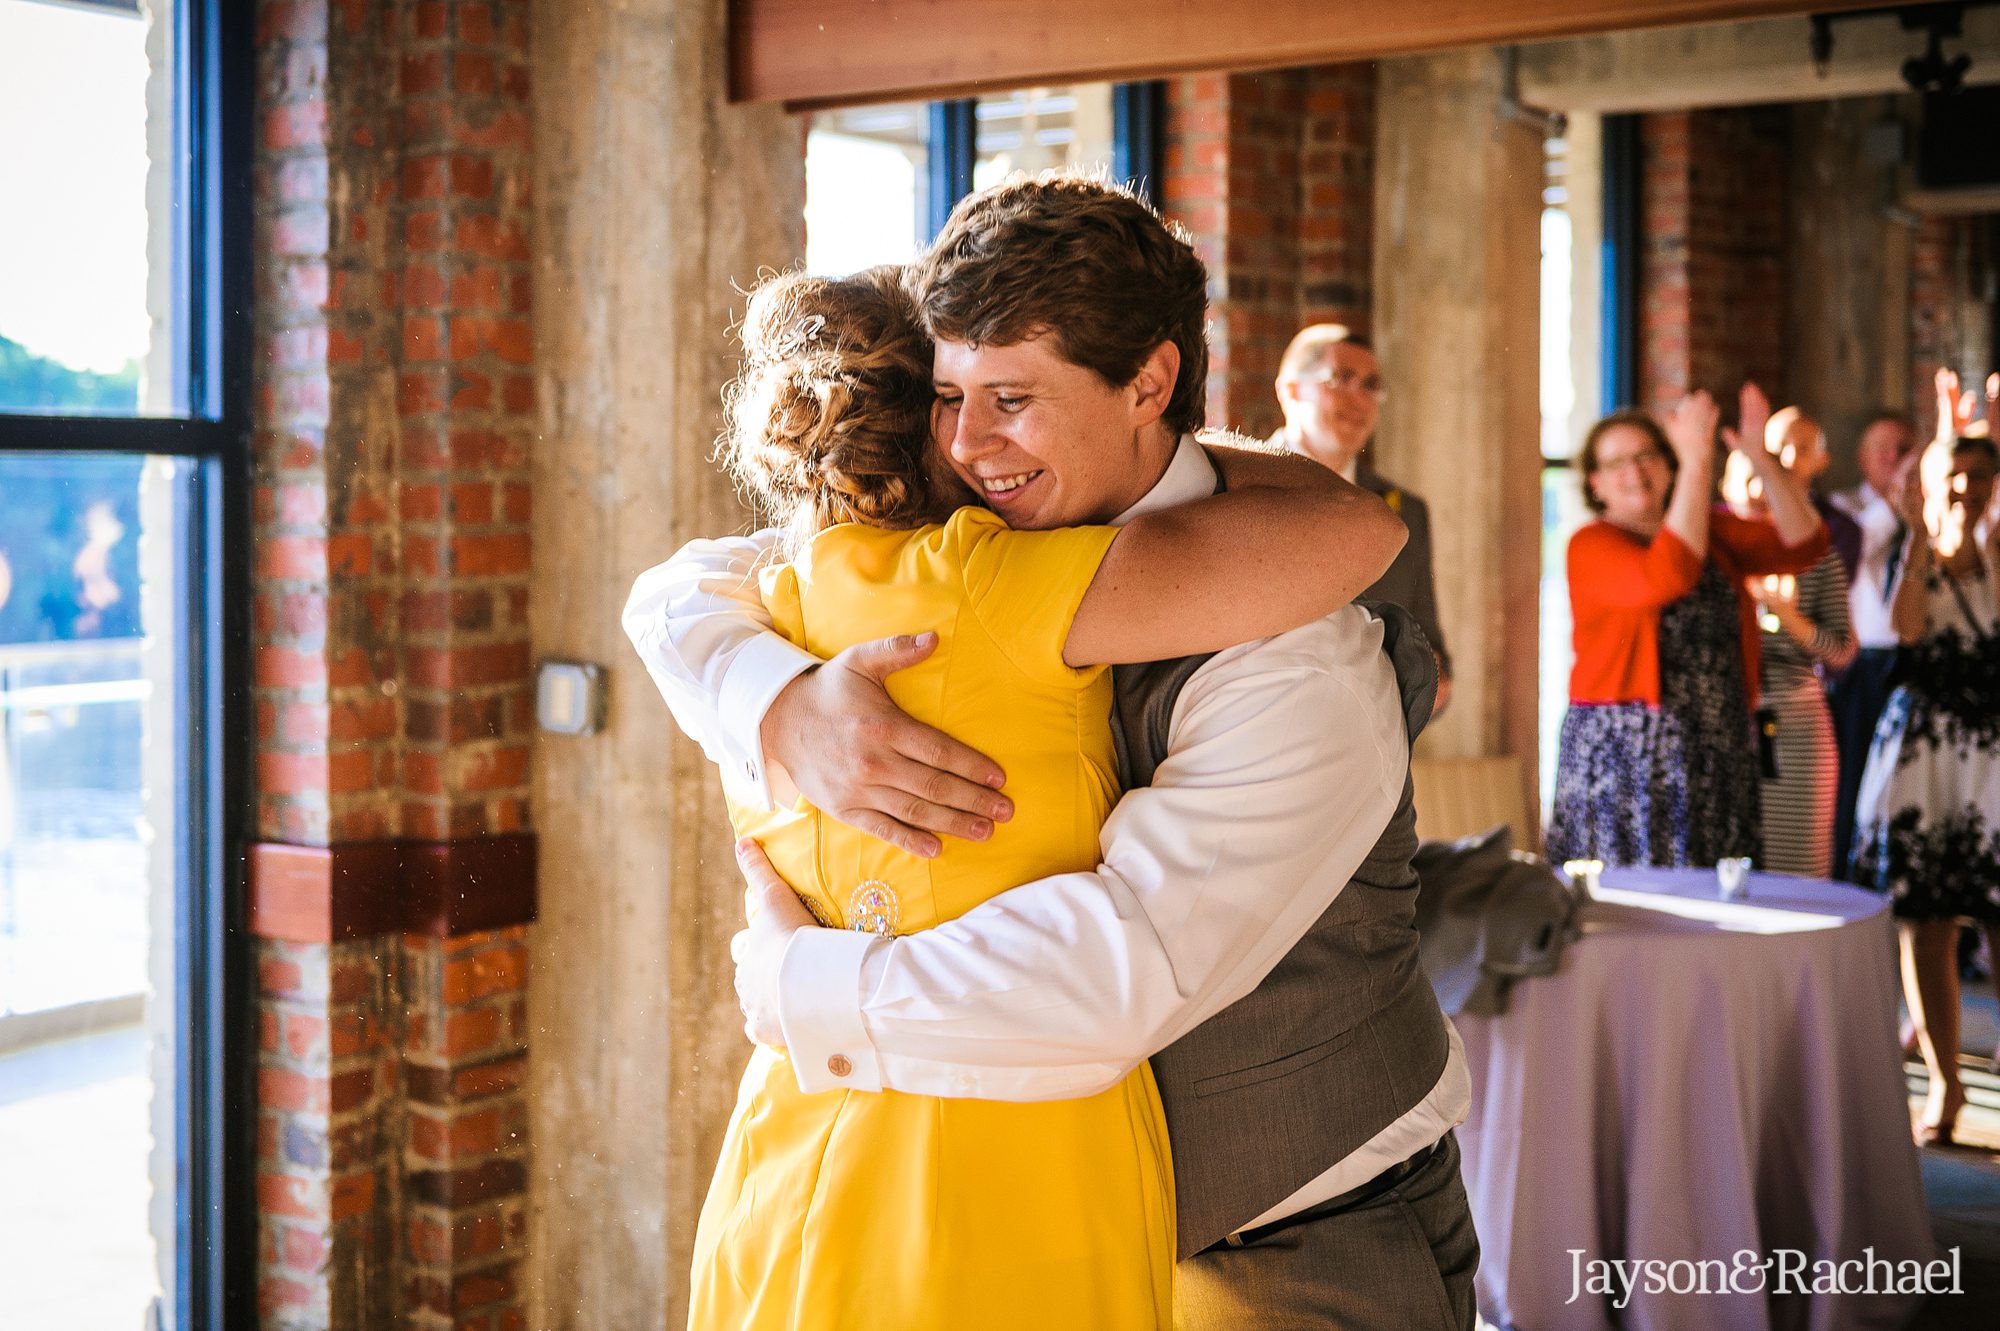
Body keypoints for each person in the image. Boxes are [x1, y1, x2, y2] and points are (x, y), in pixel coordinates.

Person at [627, 176, 1478, 1330]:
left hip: (1290, 1242)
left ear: (1150, 383)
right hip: (1052, 1229)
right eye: (945, 395)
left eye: (1012, 399)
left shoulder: (1293, 653)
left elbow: (1105, 975)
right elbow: (685, 586)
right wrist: (777, 702)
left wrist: (797, 985)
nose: (967, 444)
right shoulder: (971, 537)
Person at [1546, 390, 1829, 869]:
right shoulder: (1589, 545)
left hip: (1718, 745)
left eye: (1646, 456)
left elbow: (1804, 543)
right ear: (1595, 483)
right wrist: (1698, 461)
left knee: (1719, 901)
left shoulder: (1713, 533)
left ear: (1665, 463)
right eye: (1617, 463)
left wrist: (1759, 457)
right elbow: (1669, 574)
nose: (1635, 473)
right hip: (1628, 752)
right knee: (1636, 910)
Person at [1851, 433, 2000, 1147]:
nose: (1963, 487)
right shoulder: (1910, 557)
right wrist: (1916, 535)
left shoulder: (1995, 555)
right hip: (1924, 752)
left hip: (1990, 753)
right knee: (1927, 920)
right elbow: (1905, 630)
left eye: (1979, 475)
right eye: (1953, 475)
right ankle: (1945, 1079)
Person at [1272, 323, 1453, 715]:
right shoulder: (1230, 489)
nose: (1359, 398)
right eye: (1341, 379)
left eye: (1370, 385)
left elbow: (1431, 650)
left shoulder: (1404, 510)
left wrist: (1430, 680)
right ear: (1290, 390)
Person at [1721, 442, 1857, 876]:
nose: (1756, 491)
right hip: (1722, 723)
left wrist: (1786, 616)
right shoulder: (1708, 554)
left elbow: (1842, 651)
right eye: (1744, 479)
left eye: (1766, 481)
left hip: (1795, 724)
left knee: (1795, 868)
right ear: (1724, 486)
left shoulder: (1815, 555)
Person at [1828, 409, 1920, 880]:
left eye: (1904, 449)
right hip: (1862, 665)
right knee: (1857, 779)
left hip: (1914, 661)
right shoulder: (1844, 509)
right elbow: (1861, 545)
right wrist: (1901, 504)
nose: (1894, 458)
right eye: (1883, 450)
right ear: (1862, 459)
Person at [1764, 405, 1861, 578]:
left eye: (1803, 449)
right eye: (1780, 447)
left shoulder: (1839, 531)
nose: (1790, 459)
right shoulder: (1735, 518)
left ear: (1822, 461)